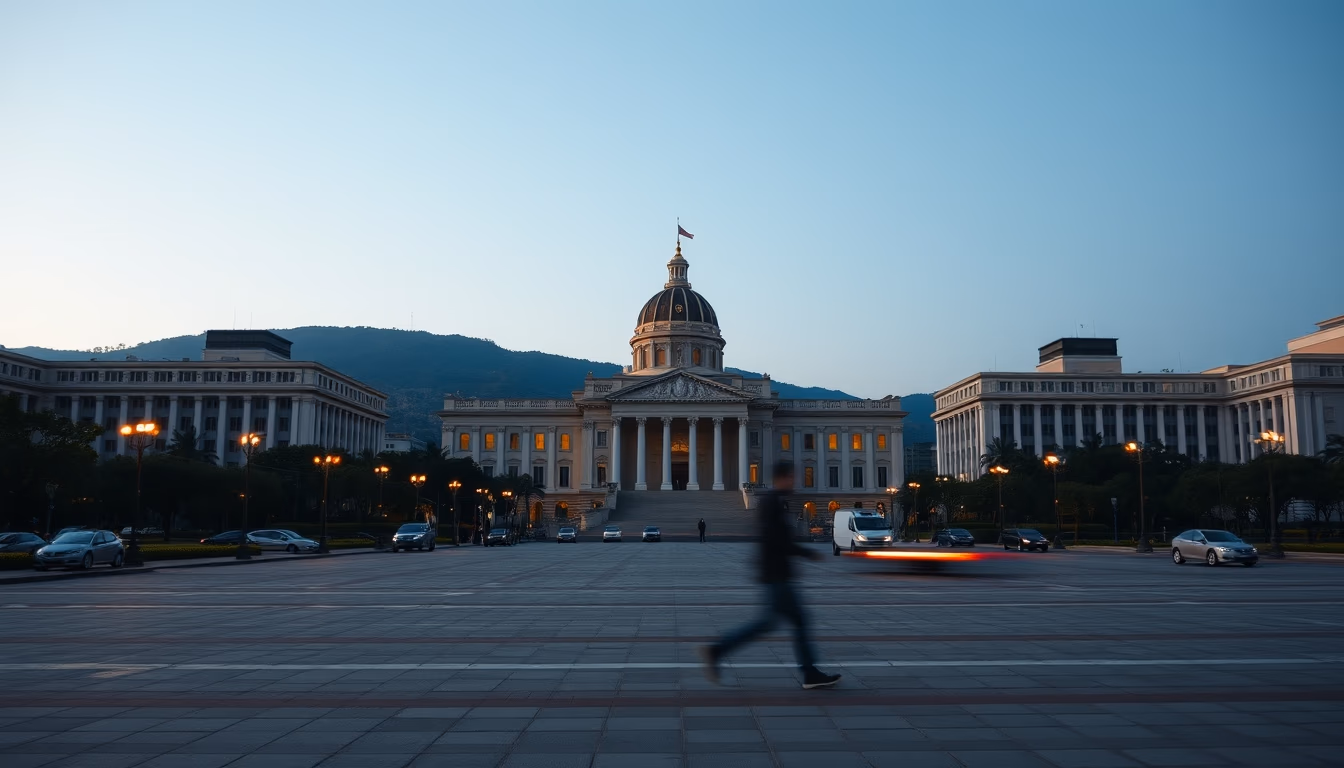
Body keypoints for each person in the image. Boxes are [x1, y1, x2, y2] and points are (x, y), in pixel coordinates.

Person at [700, 461, 840, 690]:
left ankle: (809, 672)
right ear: (782, 478)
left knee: (786, 622)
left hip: (776, 573)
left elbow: (775, 539)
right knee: (773, 623)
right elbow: (776, 540)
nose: (795, 482)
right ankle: (718, 650)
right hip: (777, 574)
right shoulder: (771, 502)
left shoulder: (774, 501)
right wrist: (807, 553)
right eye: (792, 477)